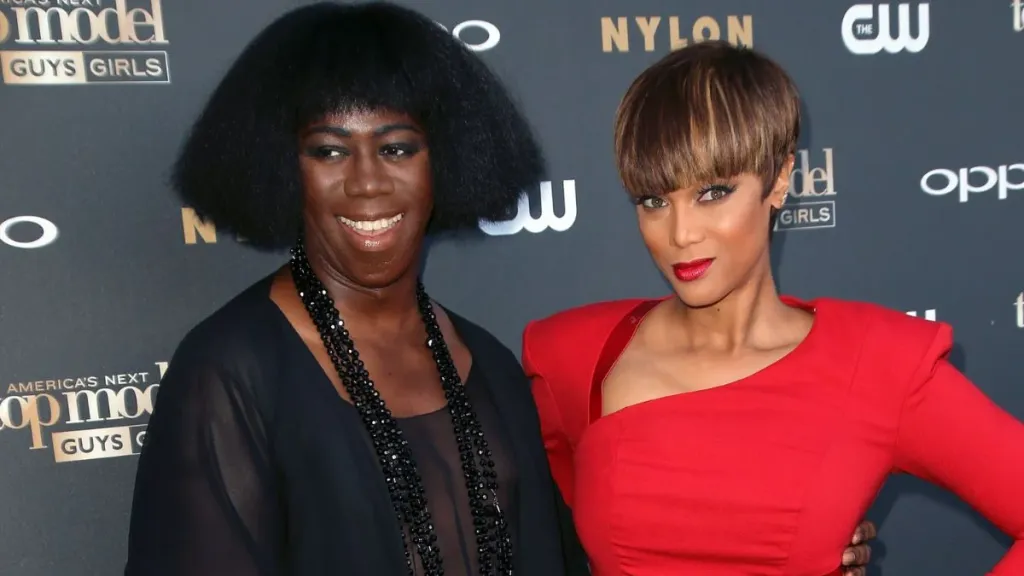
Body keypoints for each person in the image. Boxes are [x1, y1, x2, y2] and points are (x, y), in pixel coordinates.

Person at [123, 2, 875, 575]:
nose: (366, 183)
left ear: (441, 160)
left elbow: (599, 548)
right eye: (328, 151)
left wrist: (803, 534)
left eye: (397, 147)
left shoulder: (485, 362)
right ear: (282, 167)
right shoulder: (229, 371)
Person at [522, 40, 1024, 576]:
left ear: (780, 179)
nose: (681, 233)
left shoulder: (880, 365)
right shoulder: (571, 358)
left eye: (713, 192)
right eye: (654, 201)